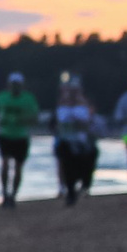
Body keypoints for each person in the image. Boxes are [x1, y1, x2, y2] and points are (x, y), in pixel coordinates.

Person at [0, 71, 40, 209]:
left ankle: (13, 194)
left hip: (21, 137)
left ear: (22, 85)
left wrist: (22, 120)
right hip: (5, 135)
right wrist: (1, 119)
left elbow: (35, 119)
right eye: (13, 84)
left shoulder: (28, 99)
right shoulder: (1, 97)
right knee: (5, 163)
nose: (15, 87)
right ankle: (4, 194)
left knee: (18, 167)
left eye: (17, 85)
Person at [52, 73, 99, 206]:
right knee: (66, 165)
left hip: (81, 144)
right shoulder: (61, 104)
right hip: (66, 143)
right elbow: (57, 124)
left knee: (83, 166)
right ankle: (67, 190)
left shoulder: (84, 105)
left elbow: (88, 124)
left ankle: (82, 186)